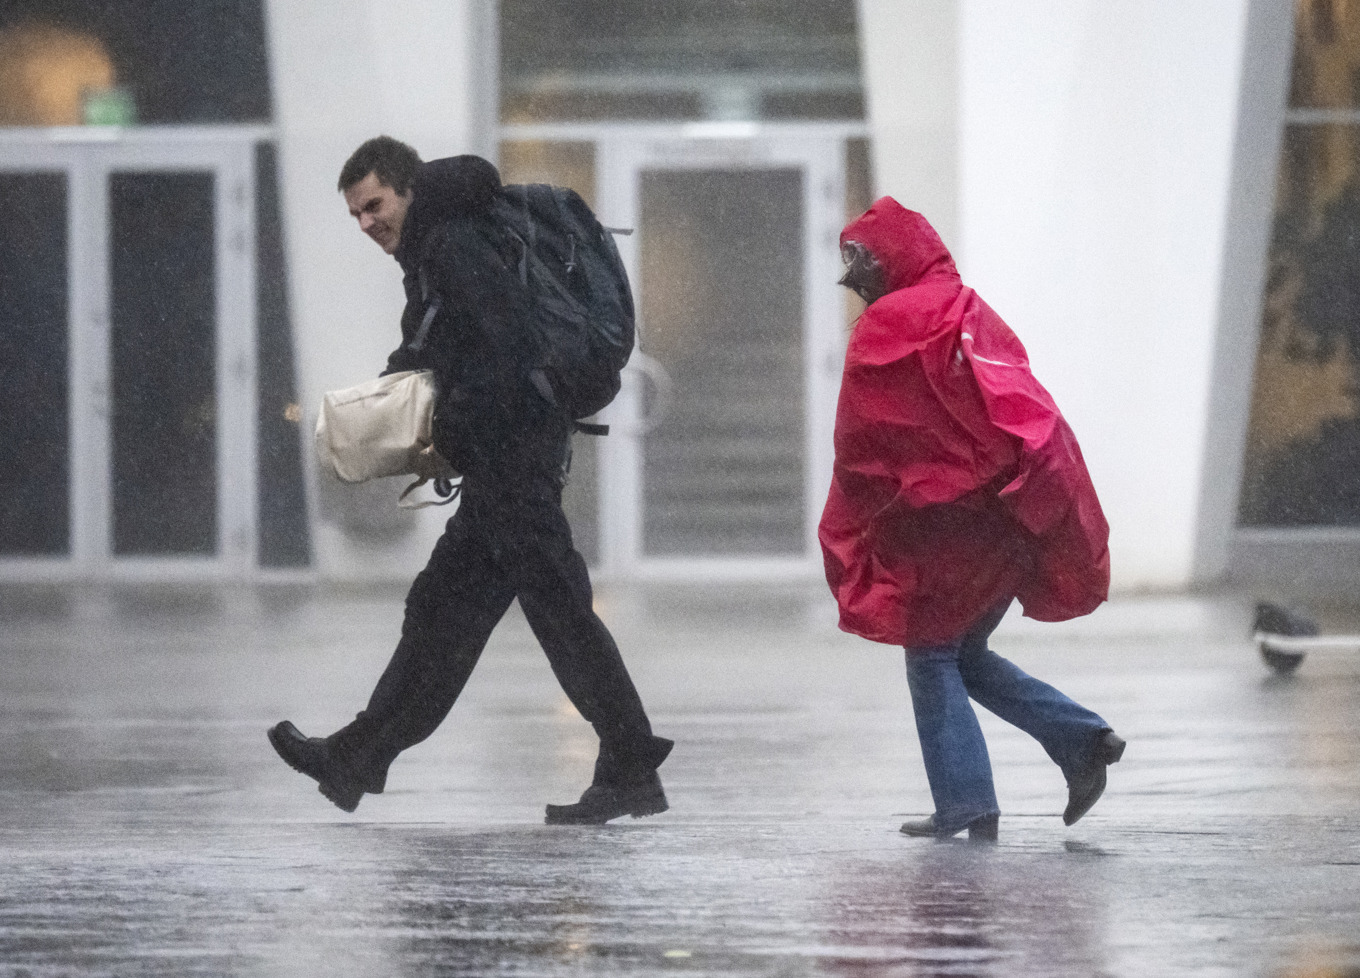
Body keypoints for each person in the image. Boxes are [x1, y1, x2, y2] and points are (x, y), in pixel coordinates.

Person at [268, 136, 673, 824]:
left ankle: (630, 761)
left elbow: (512, 350)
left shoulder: (450, 244)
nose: (368, 224)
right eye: (355, 216)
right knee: (443, 613)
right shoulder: (435, 246)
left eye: (374, 206)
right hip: (503, 461)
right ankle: (358, 757)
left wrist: (451, 424)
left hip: (514, 458)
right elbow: (451, 343)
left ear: (407, 189)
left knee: (556, 614)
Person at [822, 197, 1124, 842]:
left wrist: (866, 521)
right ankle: (1081, 740)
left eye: (858, 263)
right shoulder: (971, 310)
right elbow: (1018, 404)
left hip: (944, 523)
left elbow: (868, 441)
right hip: (1008, 514)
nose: (852, 280)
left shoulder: (888, 325)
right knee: (963, 650)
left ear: (884, 260)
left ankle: (967, 803)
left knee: (930, 655)